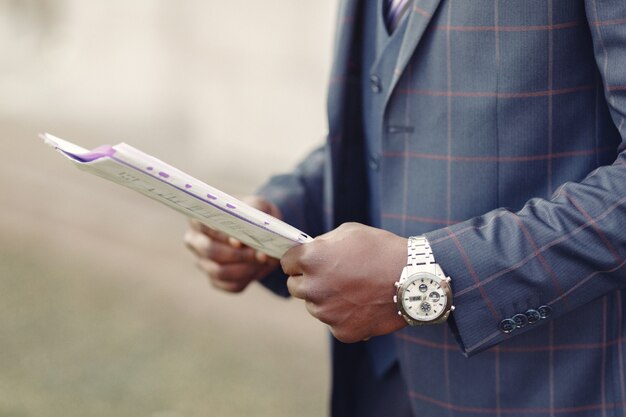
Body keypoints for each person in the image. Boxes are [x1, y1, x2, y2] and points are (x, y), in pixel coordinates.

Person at [185, 1, 626, 416]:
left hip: (545, 386)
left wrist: (426, 274)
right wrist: (279, 216)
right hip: (375, 382)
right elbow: (394, 126)